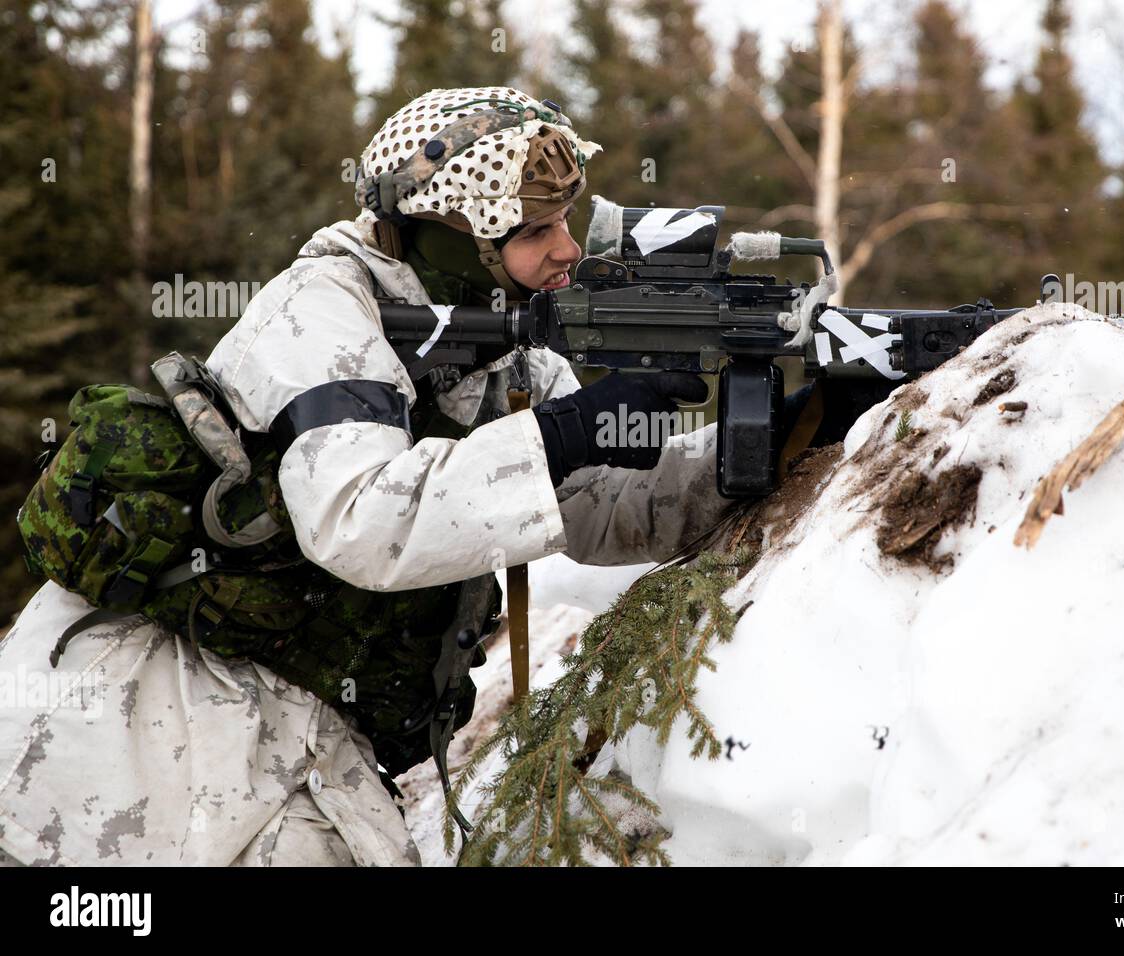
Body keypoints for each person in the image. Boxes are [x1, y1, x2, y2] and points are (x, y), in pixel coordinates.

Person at [0, 87, 751, 866]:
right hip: (145, 713)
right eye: (534, 229)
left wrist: (771, 440)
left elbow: (601, 505)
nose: (565, 248)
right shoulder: (321, 311)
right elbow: (360, 519)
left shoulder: (506, 353)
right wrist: (563, 433)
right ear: (452, 240)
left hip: (289, 725)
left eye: (563, 220)